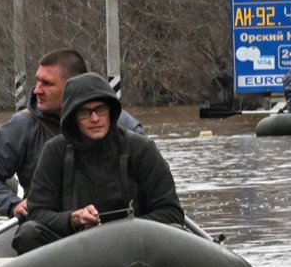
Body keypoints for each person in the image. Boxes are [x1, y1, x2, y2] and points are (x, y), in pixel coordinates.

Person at [15, 73, 184, 254]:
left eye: (101, 109)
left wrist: (122, 230)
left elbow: (171, 213)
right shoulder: (55, 151)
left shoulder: (142, 149)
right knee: (28, 234)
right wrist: (74, 219)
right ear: (72, 117)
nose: (95, 118)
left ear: (111, 111)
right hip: (73, 249)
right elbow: (37, 212)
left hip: (135, 247)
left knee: (175, 233)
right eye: (85, 112)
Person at [0, 49, 145, 219]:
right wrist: (12, 204)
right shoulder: (21, 126)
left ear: (72, 86)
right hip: (52, 227)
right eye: (37, 81)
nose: (36, 90)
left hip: (119, 224)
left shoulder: (125, 126)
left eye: (46, 84)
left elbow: (152, 180)